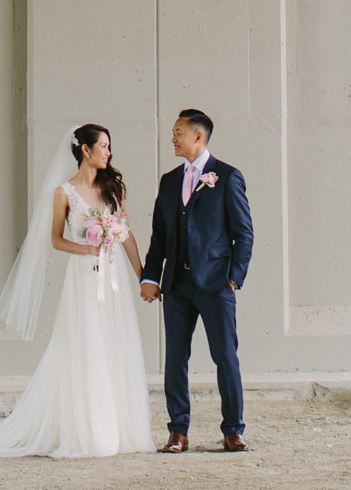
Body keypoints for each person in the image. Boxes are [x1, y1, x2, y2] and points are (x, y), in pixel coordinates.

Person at [0, 122, 154, 458]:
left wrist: (143, 276)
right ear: (86, 149)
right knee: (86, 345)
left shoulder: (113, 188)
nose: (109, 152)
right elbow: (55, 239)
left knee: (115, 342)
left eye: (110, 147)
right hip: (83, 279)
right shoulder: (63, 193)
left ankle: (121, 428)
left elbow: (126, 235)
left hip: (114, 283)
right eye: (104, 146)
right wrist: (87, 248)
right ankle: (93, 430)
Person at [139, 108, 253, 453]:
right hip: (176, 285)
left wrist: (233, 279)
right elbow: (159, 236)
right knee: (175, 357)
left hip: (216, 283)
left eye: (178, 132)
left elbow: (243, 234)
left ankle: (233, 430)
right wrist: (150, 276)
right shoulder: (169, 180)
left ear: (198, 136)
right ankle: (178, 431)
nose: (173, 138)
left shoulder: (228, 177)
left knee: (225, 356)